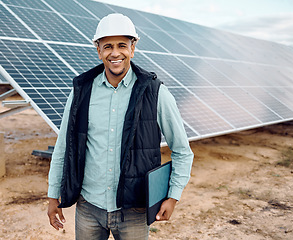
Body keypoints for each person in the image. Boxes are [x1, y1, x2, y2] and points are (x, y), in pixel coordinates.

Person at [47, 13, 194, 240]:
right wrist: (52, 195)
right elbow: (63, 147)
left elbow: (183, 151)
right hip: (88, 208)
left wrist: (173, 196)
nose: (115, 53)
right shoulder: (81, 92)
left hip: (134, 211)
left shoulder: (155, 92)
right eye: (107, 46)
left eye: (122, 45)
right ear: (98, 51)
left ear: (132, 48)